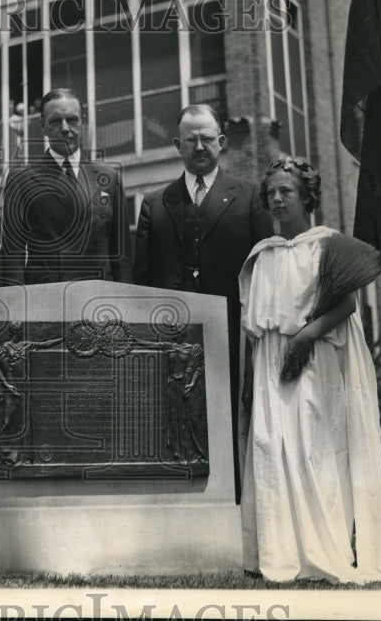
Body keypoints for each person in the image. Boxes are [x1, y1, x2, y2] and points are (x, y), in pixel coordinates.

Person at [238, 157, 381, 584]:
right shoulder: (262, 257)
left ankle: (324, 548)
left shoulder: (328, 245)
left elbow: (346, 305)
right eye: (271, 194)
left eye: (287, 191)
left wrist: (303, 338)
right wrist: (251, 378)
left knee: (313, 445)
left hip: (315, 359)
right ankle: (281, 550)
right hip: (270, 364)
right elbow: (255, 328)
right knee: (270, 443)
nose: (277, 199)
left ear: (307, 197)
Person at [133, 104, 272, 501]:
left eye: (207, 138)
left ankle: (232, 504)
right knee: (174, 420)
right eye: (190, 139)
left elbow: (264, 273)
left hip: (231, 336)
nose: (199, 146)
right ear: (177, 145)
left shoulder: (249, 198)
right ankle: (179, 506)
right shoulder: (156, 204)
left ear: (222, 143)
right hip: (170, 340)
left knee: (229, 417)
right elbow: (141, 280)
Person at [0, 88, 131, 285]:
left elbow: (122, 257)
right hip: (47, 297)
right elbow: (12, 257)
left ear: (83, 122)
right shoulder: (21, 179)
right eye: (55, 121)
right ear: (43, 127)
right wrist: (16, 308)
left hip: (100, 297)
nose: (64, 128)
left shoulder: (109, 178)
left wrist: (125, 306)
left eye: (72, 120)